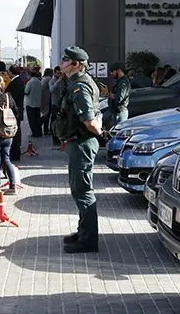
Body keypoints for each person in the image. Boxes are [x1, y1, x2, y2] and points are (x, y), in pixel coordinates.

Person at [55, 46, 102, 253]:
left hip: (82, 142)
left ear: (76, 64)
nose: (62, 62)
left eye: (66, 59)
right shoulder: (75, 82)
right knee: (79, 190)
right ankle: (84, 231)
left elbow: (89, 120)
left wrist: (100, 134)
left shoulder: (80, 87)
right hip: (78, 141)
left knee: (83, 192)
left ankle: (88, 240)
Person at [6, 66, 25, 161]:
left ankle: (15, 153)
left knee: (15, 132)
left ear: (11, 72)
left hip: (15, 111)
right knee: (17, 131)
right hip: (18, 110)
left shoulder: (15, 83)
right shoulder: (19, 81)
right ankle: (15, 152)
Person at [105, 62, 131, 128]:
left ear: (119, 70)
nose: (111, 74)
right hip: (116, 112)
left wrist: (107, 93)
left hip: (119, 113)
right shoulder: (120, 81)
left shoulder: (123, 83)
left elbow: (119, 98)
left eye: (112, 71)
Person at [24, 70, 43, 138]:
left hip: (30, 103)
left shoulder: (30, 82)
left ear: (29, 75)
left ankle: (35, 133)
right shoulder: (39, 81)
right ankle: (39, 132)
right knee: (37, 119)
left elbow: (26, 91)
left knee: (32, 120)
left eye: (27, 75)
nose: (26, 76)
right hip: (37, 103)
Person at [40, 68, 53, 135]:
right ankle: (44, 129)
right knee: (46, 115)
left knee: (45, 114)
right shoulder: (49, 79)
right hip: (47, 98)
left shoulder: (44, 78)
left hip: (43, 98)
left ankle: (43, 128)